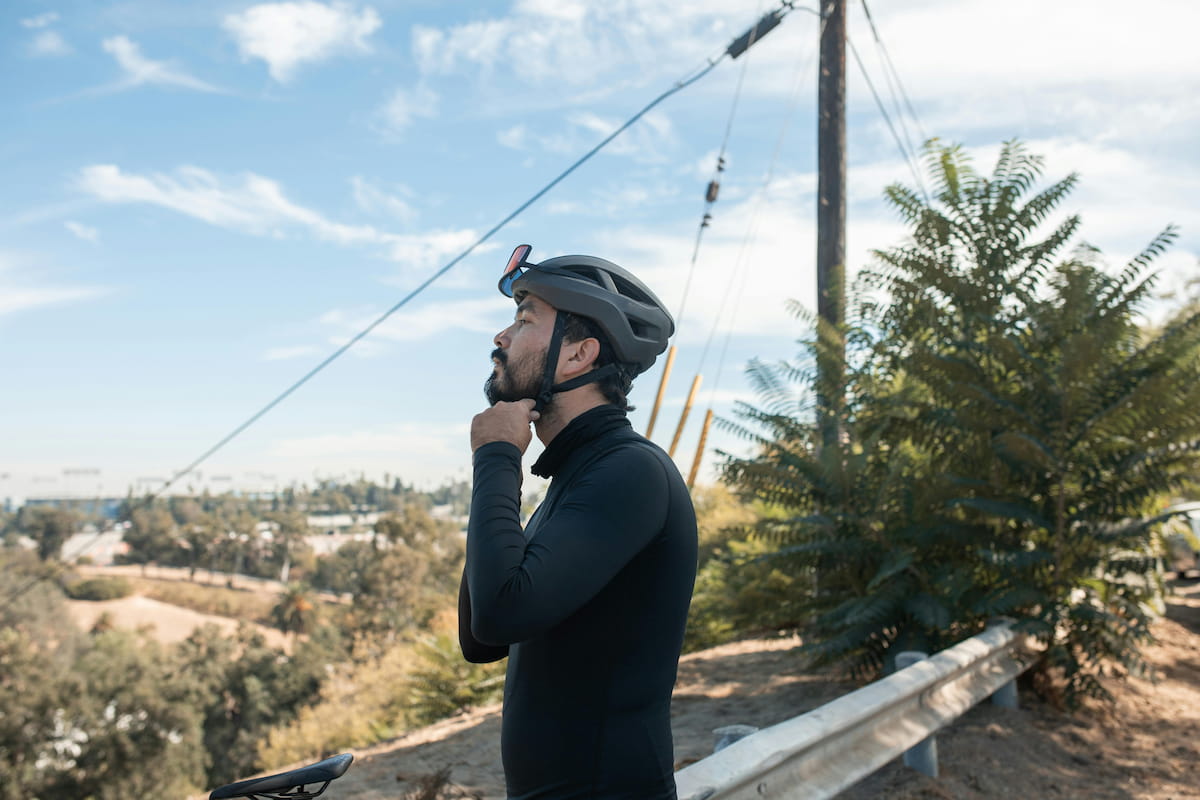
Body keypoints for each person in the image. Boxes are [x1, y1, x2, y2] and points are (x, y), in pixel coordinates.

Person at [459, 244, 698, 800]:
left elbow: (500, 614)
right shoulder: (574, 480)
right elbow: (478, 640)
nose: (501, 338)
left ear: (578, 356)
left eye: (523, 320)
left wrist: (495, 458)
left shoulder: (630, 472)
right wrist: (497, 469)